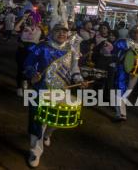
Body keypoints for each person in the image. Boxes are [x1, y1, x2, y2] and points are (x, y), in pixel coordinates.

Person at [23, 23, 86, 168]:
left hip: (62, 91)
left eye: (64, 32)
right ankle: (35, 151)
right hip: (41, 90)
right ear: (51, 32)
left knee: (55, 119)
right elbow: (28, 64)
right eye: (58, 31)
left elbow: (75, 69)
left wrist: (79, 80)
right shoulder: (41, 47)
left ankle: (48, 134)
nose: (62, 34)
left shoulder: (72, 50)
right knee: (37, 120)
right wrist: (33, 74)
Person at [113, 26, 138, 120]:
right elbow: (115, 51)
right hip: (122, 68)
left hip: (136, 70)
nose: (136, 34)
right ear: (130, 33)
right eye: (134, 32)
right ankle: (120, 113)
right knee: (120, 88)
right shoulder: (123, 41)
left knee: (128, 90)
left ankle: (120, 106)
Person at [14, 10, 42, 96]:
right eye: (29, 18)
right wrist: (23, 19)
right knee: (20, 69)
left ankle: (26, 83)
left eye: (32, 18)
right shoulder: (24, 27)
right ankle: (19, 87)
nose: (30, 20)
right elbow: (16, 29)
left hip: (33, 54)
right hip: (22, 52)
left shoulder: (40, 30)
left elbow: (43, 40)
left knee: (30, 69)